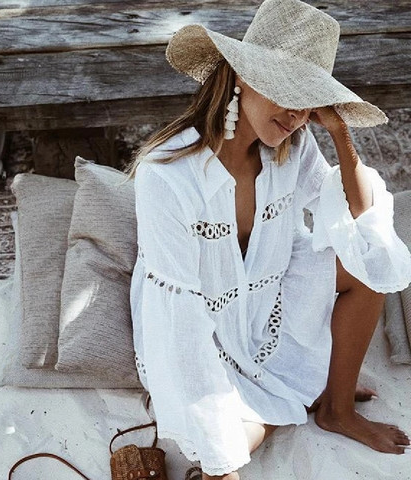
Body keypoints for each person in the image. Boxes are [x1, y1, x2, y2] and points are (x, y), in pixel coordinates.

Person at [126, 0, 411, 478]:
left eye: (311, 100)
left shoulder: (292, 149)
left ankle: (335, 408)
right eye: (287, 92)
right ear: (242, 75)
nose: (299, 114)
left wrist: (340, 133)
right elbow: (178, 323)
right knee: (227, 451)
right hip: (199, 331)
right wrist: (222, 463)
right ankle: (300, 393)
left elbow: (366, 229)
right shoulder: (167, 175)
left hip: (265, 303)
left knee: (368, 267)